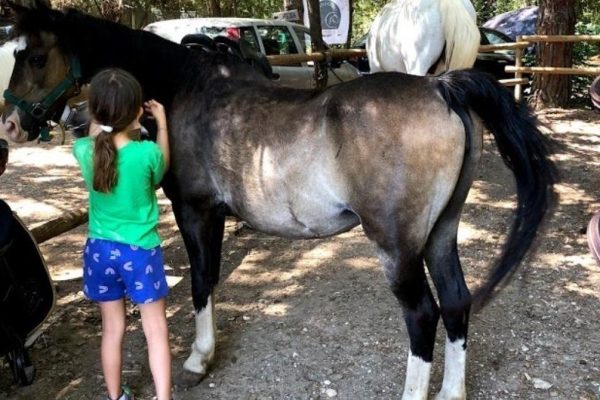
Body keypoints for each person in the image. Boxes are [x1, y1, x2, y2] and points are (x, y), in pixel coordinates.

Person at [72, 68, 171, 400]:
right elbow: (161, 172)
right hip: (139, 252)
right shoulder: (146, 154)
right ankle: (163, 397)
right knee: (155, 330)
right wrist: (162, 123)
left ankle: (116, 397)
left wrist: (104, 118)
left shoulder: (86, 151)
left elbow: (93, 134)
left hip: (99, 252)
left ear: (95, 113)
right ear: (137, 112)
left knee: (112, 329)